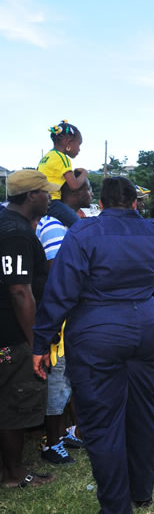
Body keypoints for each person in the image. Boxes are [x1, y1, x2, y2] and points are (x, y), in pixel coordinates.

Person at [31, 177, 154, 512]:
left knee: (102, 421)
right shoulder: (152, 230)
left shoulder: (83, 233)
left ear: (100, 203)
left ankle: (115, 505)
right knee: (142, 411)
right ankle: (141, 490)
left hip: (97, 334)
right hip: (144, 329)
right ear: (133, 203)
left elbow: (60, 293)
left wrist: (42, 341)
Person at [1, 170, 57, 489]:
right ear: (31, 196)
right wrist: (36, 344)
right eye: (46, 193)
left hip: (9, 332)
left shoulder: (9, 224)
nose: (50, 198)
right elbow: (20, 291)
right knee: (13, 403)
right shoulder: (16, 233)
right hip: (13, 335)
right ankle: (12, 474)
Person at [35, 176, 93, 464]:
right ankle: (51, 443)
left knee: (68, 380)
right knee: (58, 381)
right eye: (88, 188)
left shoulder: (67, 224)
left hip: (69, 316)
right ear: (76, 191)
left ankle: (65, 434)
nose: (91, 193)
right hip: (60, 317)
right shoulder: (55, 227)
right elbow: (57, 279)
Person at [37, 120, 88, 227]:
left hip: (39, 200)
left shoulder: (47, 156)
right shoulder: (62, 158)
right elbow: (74, 186)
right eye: (78, 144)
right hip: (52, 202)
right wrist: (84, 173)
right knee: (79, 226)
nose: (79, 149)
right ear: (68, 143)